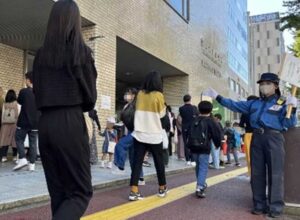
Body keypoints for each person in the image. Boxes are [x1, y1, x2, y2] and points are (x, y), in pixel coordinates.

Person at [32, 0, 97, 219]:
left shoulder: (40, 56)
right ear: (75, 23)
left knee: (58, 193)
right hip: (70, 121)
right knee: (80, 192)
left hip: (46, 123)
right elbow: (90, 99)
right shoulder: (81, 53)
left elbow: (38, 93)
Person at [203, 72, 298, 218]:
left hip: (274, 137)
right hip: (257, 137)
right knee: (257, 173)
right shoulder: (254, 103)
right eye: (262, 84)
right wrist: (218, 97)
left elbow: (289, 123)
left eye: (267, 83)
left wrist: (293, 109)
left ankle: (275, 208)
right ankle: (259, 205)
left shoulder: (283, 102)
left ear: (275, 86)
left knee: (276, 173)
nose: (264, 86)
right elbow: (234, 105)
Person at [129, 71, 167, 201]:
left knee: (137, 163)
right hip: (154, 134)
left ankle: (134, 191)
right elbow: (162, 115)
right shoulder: (159, 95)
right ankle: (162, 188)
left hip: (139, 133)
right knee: (158, 162)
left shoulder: (140, 94)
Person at [187, 101, 222, 198]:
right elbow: (216, 134)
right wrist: (217, 144)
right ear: (210, 110)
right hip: (204, 147)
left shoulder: (193, 120)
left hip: (193, 147)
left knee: (198, 166)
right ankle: (200, 187)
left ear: (199, 109)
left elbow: (187, 132)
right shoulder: (211, 121)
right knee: (203, 167)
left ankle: (201, 182)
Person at [13, 72, 39, 171]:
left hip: (24, 121)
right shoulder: (40, 92)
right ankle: (32, 164)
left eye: (25, 79)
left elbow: (19, 101)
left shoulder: (24, 91)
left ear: (28, 80)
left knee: (19, 138)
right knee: (33, 143)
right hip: (36, 123)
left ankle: (22, 158)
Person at [239, 95, 259, 176]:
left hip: (248, 135)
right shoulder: (259, 110)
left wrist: (246, 126)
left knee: (249, 156)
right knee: (259, 155)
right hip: (259, 134)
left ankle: (251, 174)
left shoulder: (245, 112)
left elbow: (241, 124)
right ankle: (261, 174)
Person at [179, 94, 198, 166]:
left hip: (185, 127)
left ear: (183, 100)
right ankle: (193, 160)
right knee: (193, 143)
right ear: (190, 99)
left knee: (185, 143)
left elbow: (182, 117)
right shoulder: (194, 108)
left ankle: (187, 160)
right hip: (193, 128)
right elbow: (197, 117)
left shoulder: (181, 108)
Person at [0, 90, 18, 162]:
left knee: (4, 140)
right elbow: (18, 114)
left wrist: (2, 124)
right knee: (14, 140)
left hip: (5, 124)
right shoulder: (16, 103)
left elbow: (3, 114)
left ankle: (3, 157)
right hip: (14, 124)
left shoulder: (5, 104)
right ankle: (14, 156)